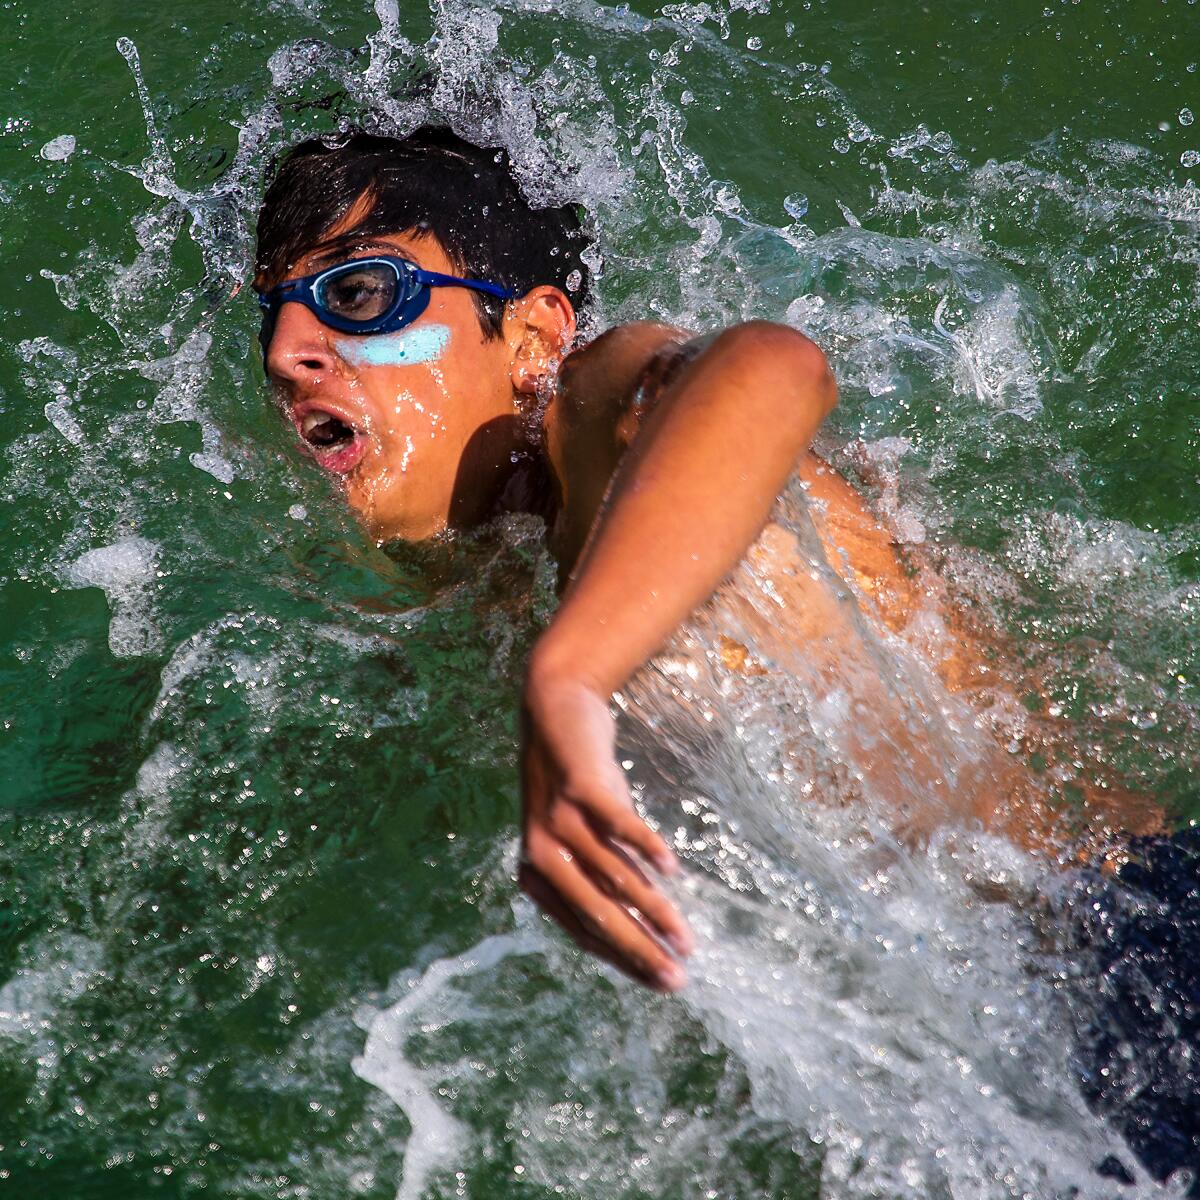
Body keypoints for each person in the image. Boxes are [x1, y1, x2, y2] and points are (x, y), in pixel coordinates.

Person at [254, 122, 1199, 1190]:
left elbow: (773, 366)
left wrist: (568, 677)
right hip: (1004, 1039)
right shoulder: (487, 587)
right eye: (274, 318)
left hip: (1127, 947)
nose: (292, 352)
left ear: (530, 337)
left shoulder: (595, 419)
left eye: (360, 296)